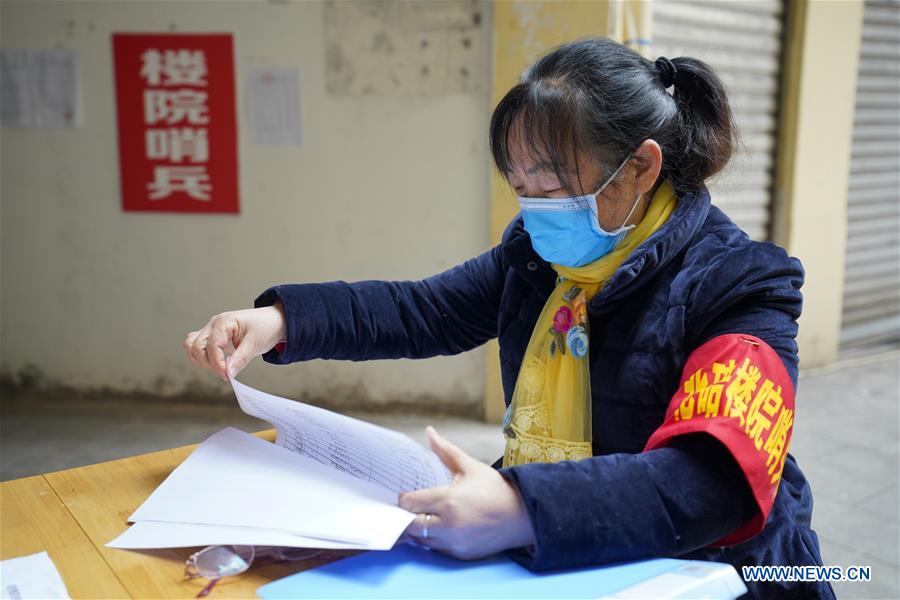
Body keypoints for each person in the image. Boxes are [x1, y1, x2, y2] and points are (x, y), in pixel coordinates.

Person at [184, 37, 834, 598]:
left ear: (639, 167)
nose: (533, 210)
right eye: (520, 188)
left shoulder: (743, 286)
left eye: (550, 188)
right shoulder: (538, 258)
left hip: (728, 572)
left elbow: (711, 480)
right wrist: (280, 319)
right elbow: (426, 310)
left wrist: (523, 508)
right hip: (571, 553)